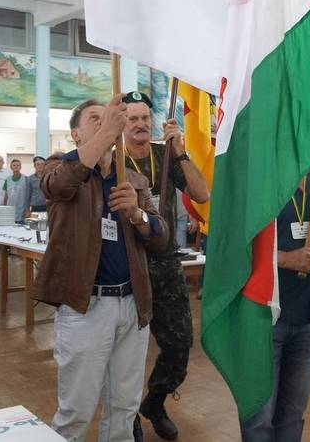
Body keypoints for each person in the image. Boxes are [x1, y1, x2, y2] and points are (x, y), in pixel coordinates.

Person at [32, 96, 168, 441]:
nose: (104, 119)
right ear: (76, 134)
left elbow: (161, 237)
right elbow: (57, 185)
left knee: (124, 408)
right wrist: (107, 131)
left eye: (106, 116)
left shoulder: (132, 180)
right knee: (75, 412)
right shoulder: (60, 167)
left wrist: (137, 215)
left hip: (132, 305)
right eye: (94, 117)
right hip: (85, 306)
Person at [122, 91, 210, 441]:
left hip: (165, 264)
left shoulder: (165, 155)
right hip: (127, 266)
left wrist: (181, 150)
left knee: (179, 345)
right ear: (123, 123)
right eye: (133, 118)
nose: (140, 124)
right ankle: (127, 415)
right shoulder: (113, 160)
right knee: (125, 351)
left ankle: (155, 402)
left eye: (145, 117)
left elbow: (201, 194)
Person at [240, 171, 310, 442]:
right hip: (265, 316)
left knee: (293, 415)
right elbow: (237, 247)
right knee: (259, 419)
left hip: (306, 318)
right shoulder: (261, 179)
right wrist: (286, 259)